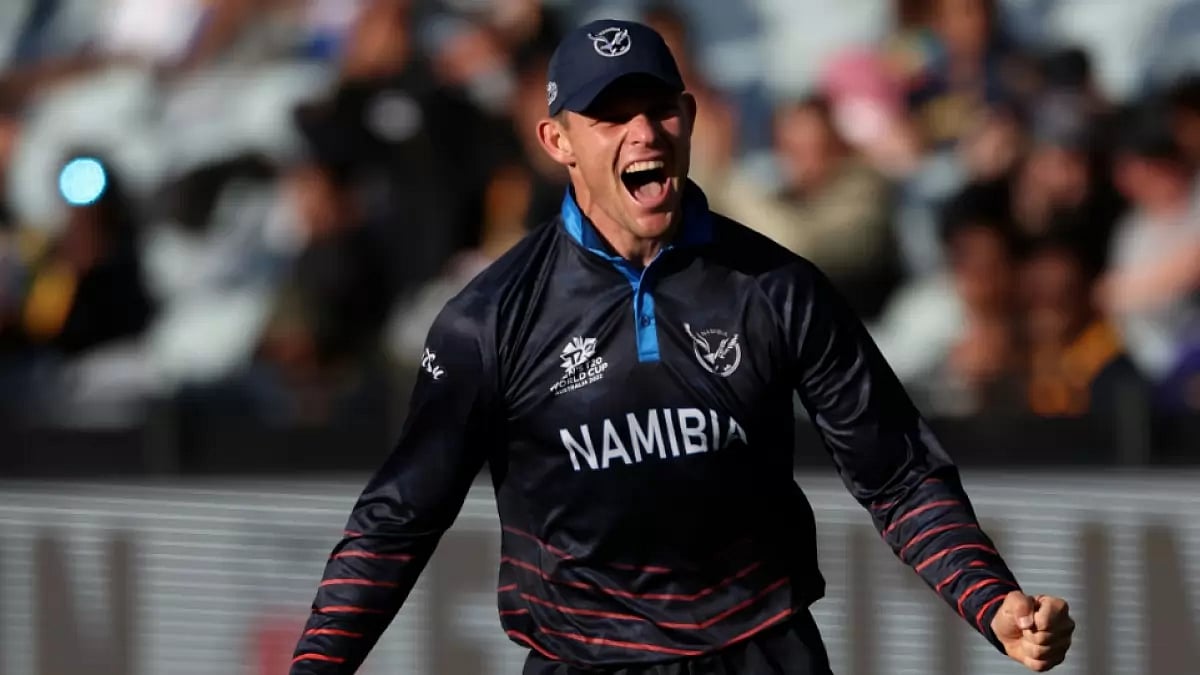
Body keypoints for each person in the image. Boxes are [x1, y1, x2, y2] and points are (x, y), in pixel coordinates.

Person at [289, 19, 1075, 675]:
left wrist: (992, 599)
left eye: (658, 107)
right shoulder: (487, 320)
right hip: (582, 659)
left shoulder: (775, 286)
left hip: (761, 651)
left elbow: (899, 475)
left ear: (690, 117)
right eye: (610, 114)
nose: (643, 132)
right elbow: (397, 520)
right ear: (556, 140)